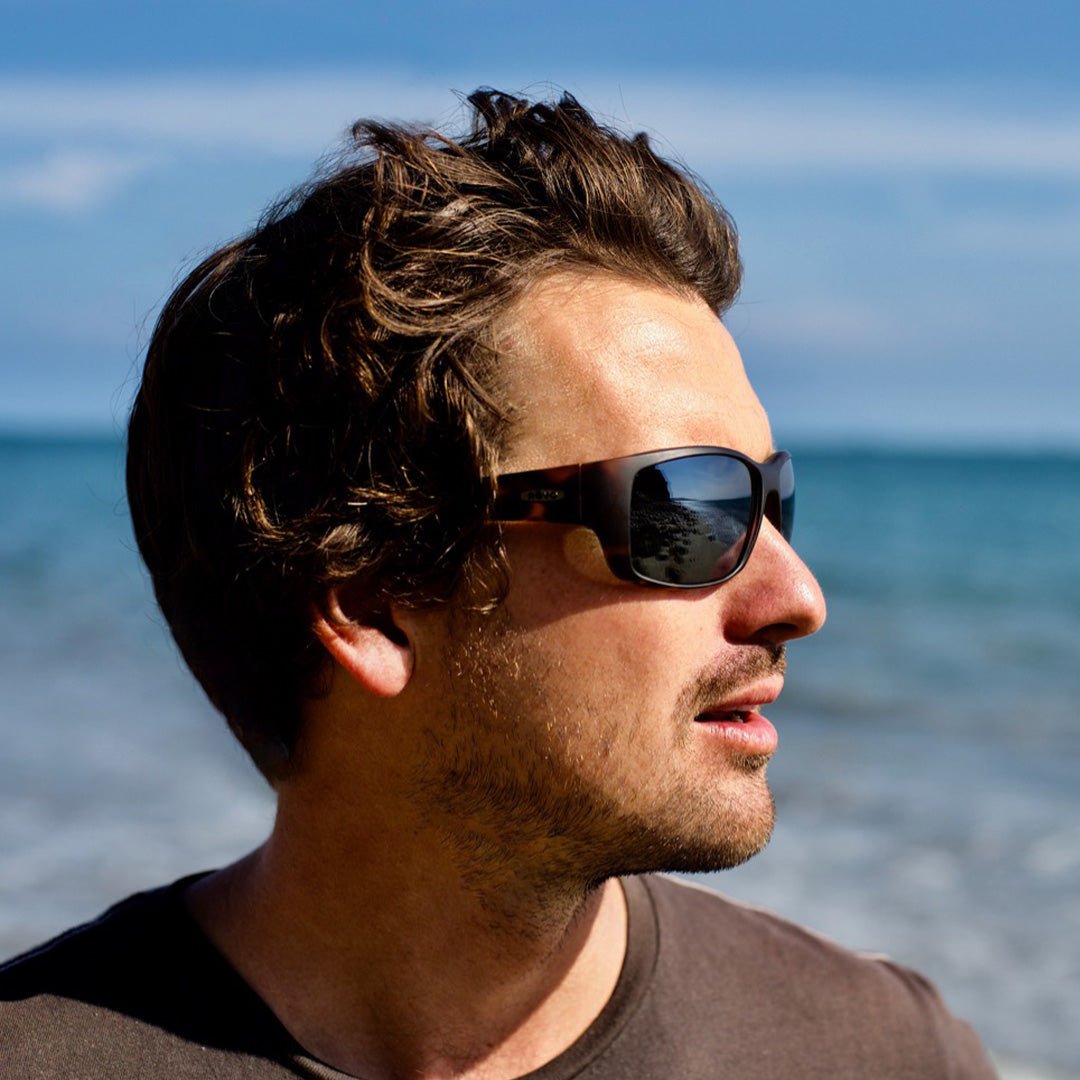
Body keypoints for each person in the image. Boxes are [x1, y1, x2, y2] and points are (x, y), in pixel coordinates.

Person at [0, 89, 995, 1078]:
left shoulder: (878, 1053)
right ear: (377, 606)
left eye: (771, 502)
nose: (798, 599)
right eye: (683, 509)